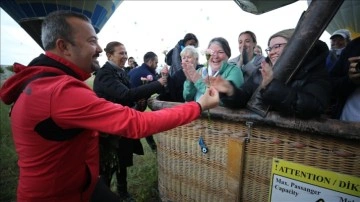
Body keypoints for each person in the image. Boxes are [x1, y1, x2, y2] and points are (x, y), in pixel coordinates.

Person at [0, 10, 219, 202]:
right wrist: (199, 106)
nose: (99, 49)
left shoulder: (42, 81)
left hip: (80, 184)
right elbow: (137, 124)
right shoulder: (58, 91)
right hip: (59, 195)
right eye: (92, 41)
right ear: (63, 46)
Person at [93, 44, 166, 200]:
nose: (125, 56)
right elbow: (125, 94)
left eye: (126, 52)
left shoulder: (121, 72)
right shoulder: (105, 74)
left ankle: (123, 192)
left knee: (123, 161)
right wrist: (158, 83)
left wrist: (136, 105)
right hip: (109, 130)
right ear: (109, 55)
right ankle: (104, 195)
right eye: (121, 53)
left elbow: (128, 98)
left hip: (122, 125)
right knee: (109, 166)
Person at [210, 29, 331, 119]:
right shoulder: (261, 71)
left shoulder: (313, 70)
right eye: (270, 48)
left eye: (277, 46)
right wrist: (230, 90)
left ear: (295, 47)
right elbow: (245, 95)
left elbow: (314, 107)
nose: (272, 52)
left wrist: (271, 86)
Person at [183, 37, 244, 103]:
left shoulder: (234, 71)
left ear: (228, 55)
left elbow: (223, 101)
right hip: (198, 112)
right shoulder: (200, 71)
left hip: (221, 113)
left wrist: (198, 81)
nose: (215, 56)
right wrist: (189, 82)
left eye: (220, 52)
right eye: (211, 52)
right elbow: (187, 97)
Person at [128, 51, 163, 153]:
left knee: (142, 125)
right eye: (156, 63)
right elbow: (160, 89)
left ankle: (153, 147)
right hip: (135, 105)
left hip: (127, 104)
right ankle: (154, 148)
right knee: (144, 126)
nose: (156, 66)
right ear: (151, 62)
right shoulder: (147, 73)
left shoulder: (134, 70)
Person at [329, 37, 360, 121]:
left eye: (340, 39)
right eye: (334, 40)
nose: (337, 42)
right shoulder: (354, 46)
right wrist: (351, 80)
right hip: (345, 122)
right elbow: (330, 84)